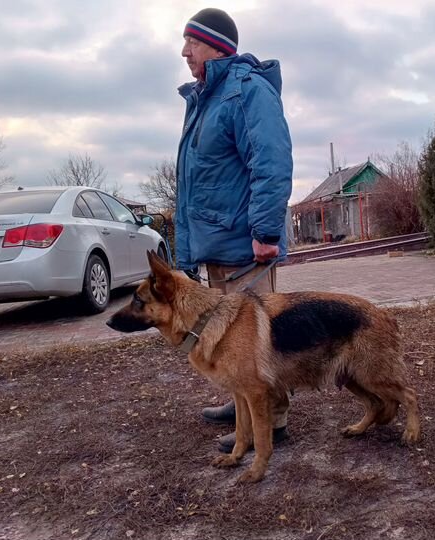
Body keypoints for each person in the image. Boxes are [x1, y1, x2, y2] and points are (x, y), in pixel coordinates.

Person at [175, 8, 293, 453]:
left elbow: (272, 161)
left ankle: (274, 420)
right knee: (230, 340)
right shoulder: (206, 98)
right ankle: (242, 403)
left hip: (245, 244)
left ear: (218, 47)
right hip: (218, 244)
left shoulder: (246, 91)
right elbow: (195, 181)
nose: (185, 52)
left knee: (257, 341)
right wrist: (187, 249)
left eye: (193, 43)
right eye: (184, 44)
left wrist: (265, 230)